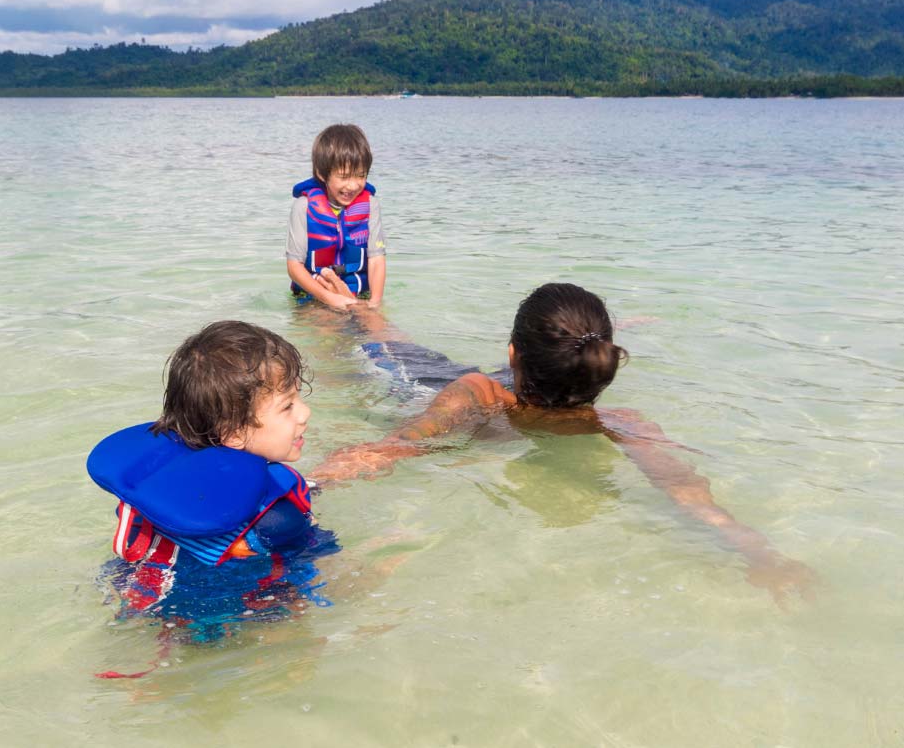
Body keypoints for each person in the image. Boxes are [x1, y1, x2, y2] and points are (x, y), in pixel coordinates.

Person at [312, 283, 816, 606]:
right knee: (381, 341)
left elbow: (401, 443)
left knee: (394, 341)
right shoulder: (617, 422)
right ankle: (355, 310)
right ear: (602, 368)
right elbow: (685, 489)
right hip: (416, 379)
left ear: (511, 354)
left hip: (451, 383)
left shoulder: (480, 394)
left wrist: (313, 480)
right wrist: (763, 555)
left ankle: (354, 309)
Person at [87, 321, 335, 634]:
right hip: (227, 615)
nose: (304, 413)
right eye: (287, 406)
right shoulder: (280, 517)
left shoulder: (155, 482)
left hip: (133, 590)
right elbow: (312, 557)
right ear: (233, 432)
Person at [286, 123, 387, 309]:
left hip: (359, 296)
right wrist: (328, 298)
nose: (353, 185)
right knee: (328, 330)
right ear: (321, 174)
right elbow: (294, 266)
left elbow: (376, 259)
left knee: (378, 329)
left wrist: (375, 303)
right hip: (314, 298)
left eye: (361, 175)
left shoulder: (370, 205)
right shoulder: (304, 207)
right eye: (344, 176)